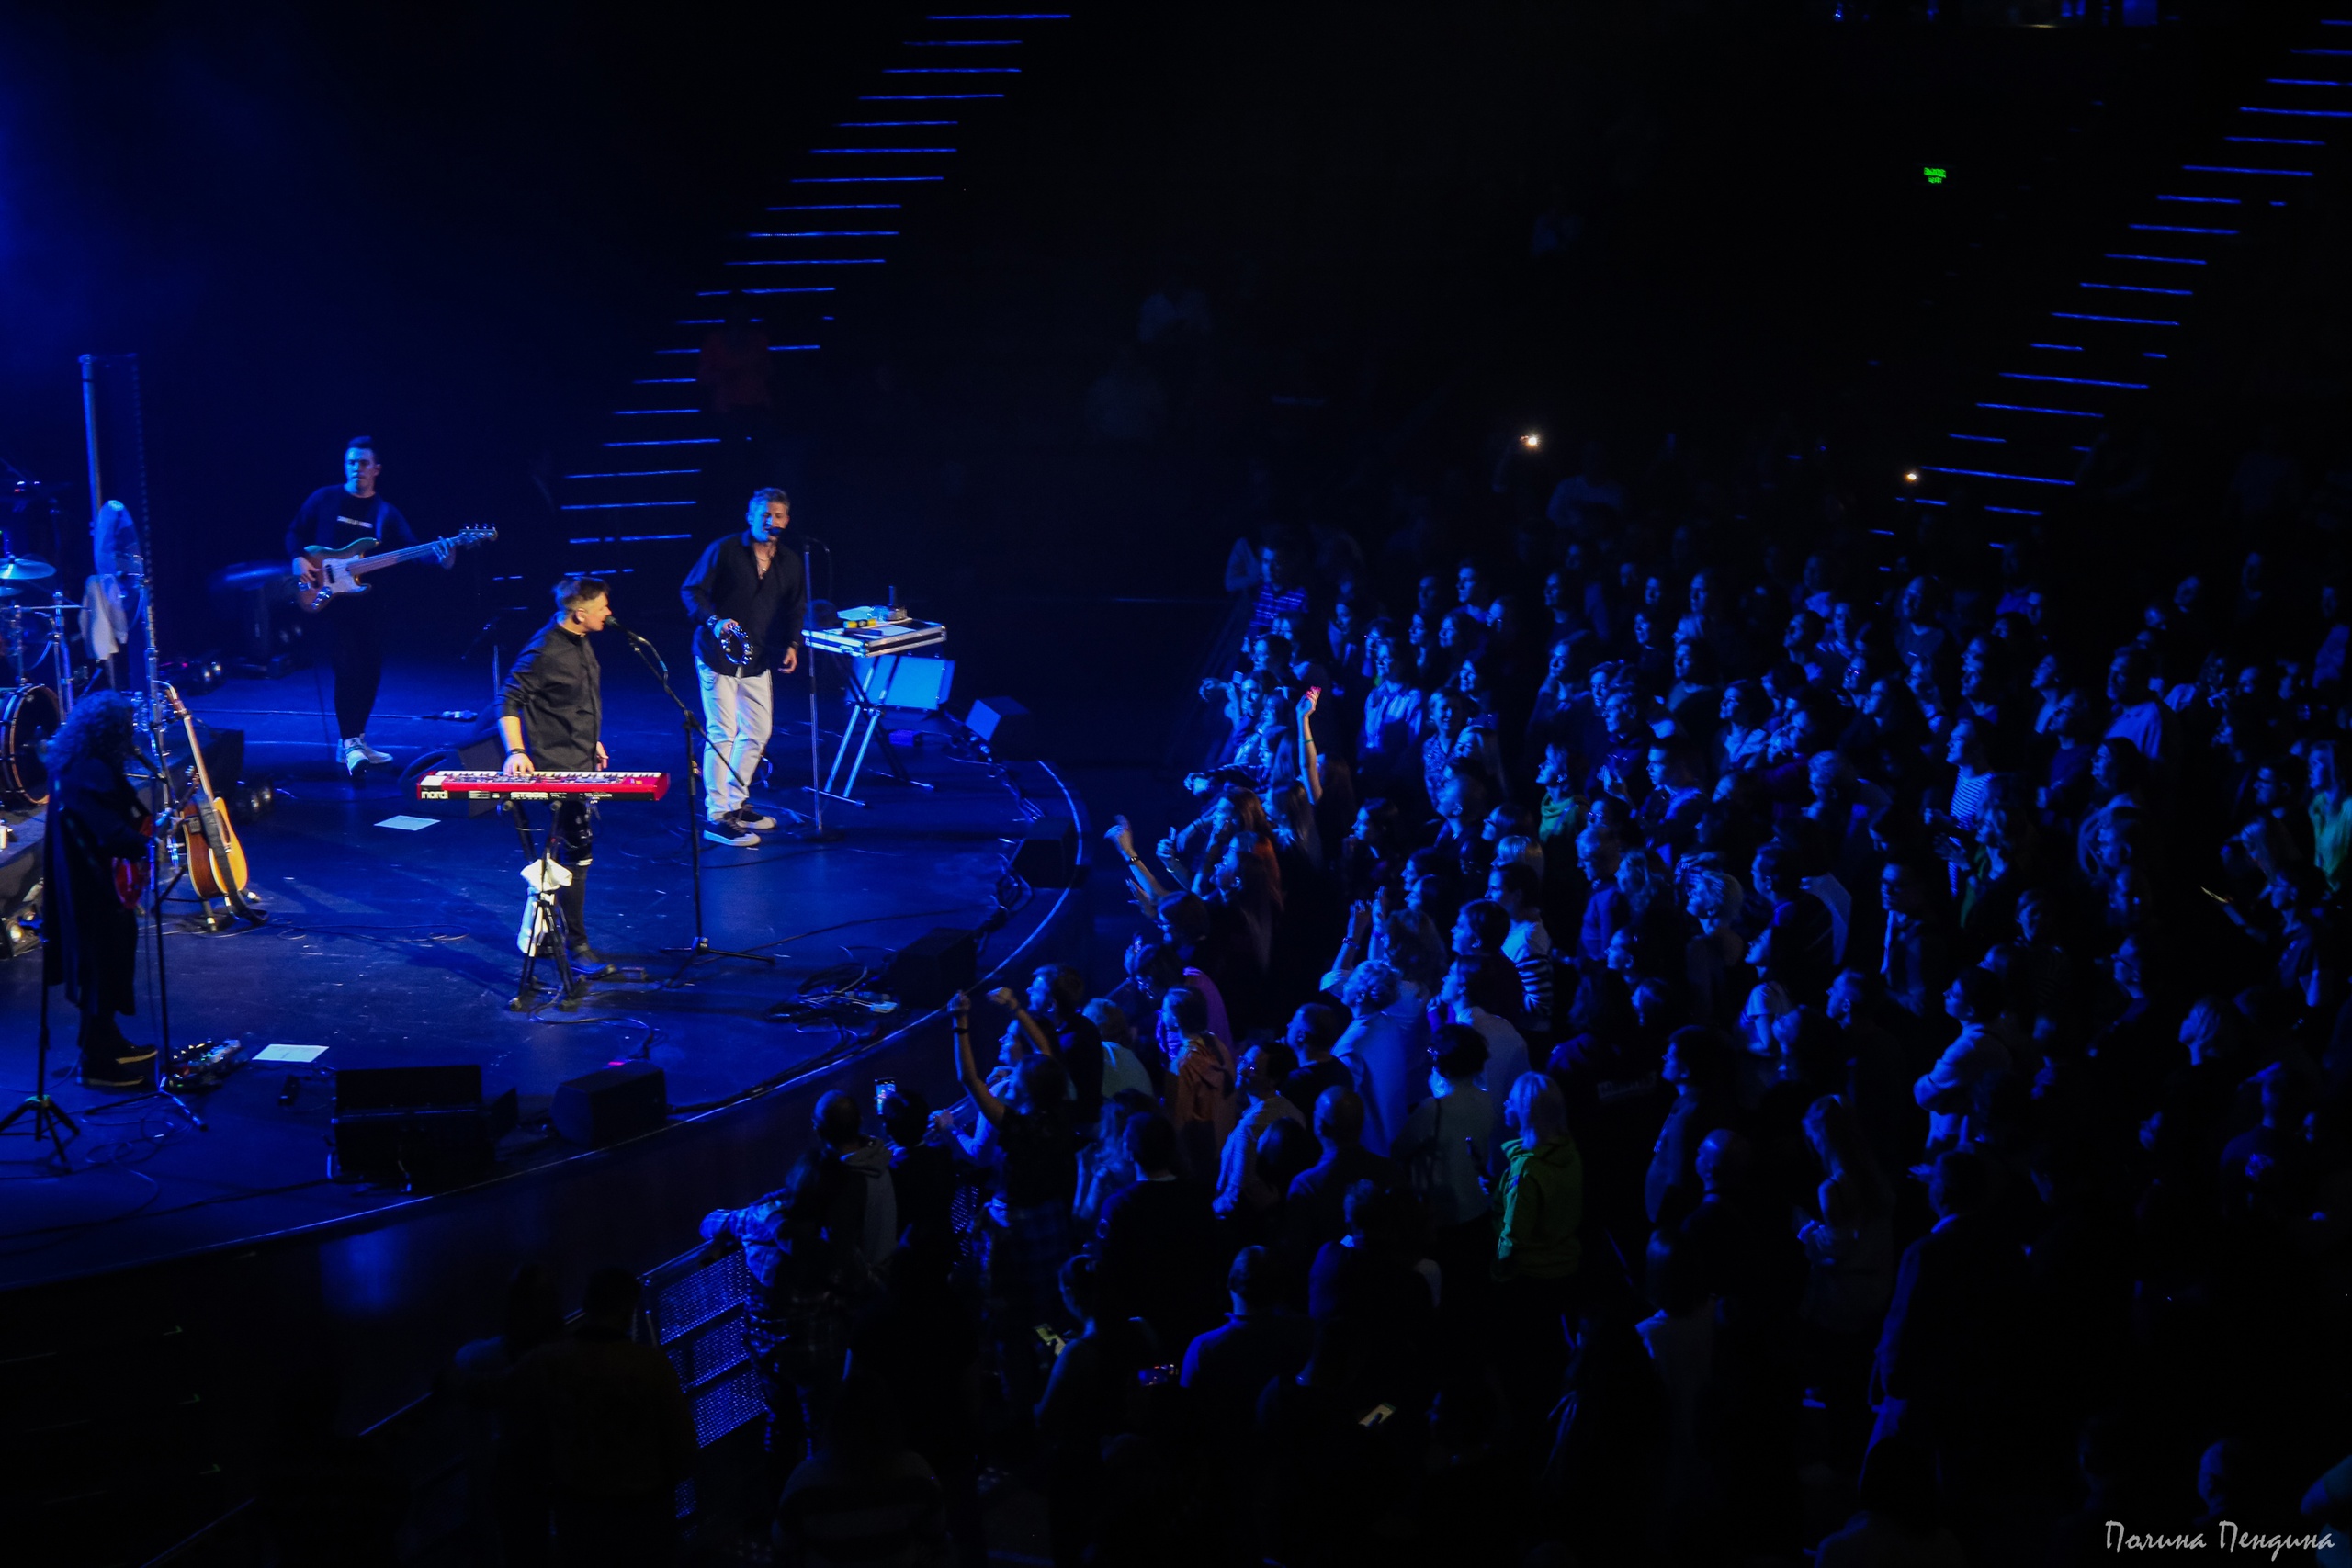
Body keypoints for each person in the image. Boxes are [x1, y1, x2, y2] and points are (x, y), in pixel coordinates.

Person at [507, 1268, 698, 1568]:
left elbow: (500, 1393)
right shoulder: (651, 1366)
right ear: (628, 1311)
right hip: (644, 1511)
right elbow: (684, 1445)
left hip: (579, 1512)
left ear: (586, 1306)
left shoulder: (547, 1362)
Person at [285, 437, 454, 773]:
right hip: (330, 602)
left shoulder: (385, 512)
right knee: (346, 669)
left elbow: (411, 550)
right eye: (351, 463)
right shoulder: (325, 498)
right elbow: (294, 532)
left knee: (370, 671)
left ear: (376, 469)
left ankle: (356, 739)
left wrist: (442, 559)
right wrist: (297, 560)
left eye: (363, 464)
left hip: (369, 605)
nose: (356, 469)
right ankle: (349, 744)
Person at [499, 576, 618, 976]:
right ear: (579, 614)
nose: (609, 613)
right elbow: (508, 698)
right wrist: (516, 751)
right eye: (602, 607)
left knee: (575, 854)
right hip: (556, 766)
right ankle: (574, 942)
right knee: (575, 851)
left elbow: (577, 701)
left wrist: (592, 742)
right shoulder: (544, 649)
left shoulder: (581, 640)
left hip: (580, 759)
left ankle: (554, 936)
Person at [38, 691, 156, 1089]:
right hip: (90, 892)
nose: (132, 735)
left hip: (91, 885)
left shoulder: (81, 764)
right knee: (100, 967)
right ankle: (97, 1063)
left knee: (107, 964)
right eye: (126, 729)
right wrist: (146, 844)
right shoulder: (87, 774)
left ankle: (107, 1039)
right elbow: (108, 833)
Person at [680, 487, 807, 847]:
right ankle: (717, 813)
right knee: (723, 731)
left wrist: (794, 644)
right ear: (750, 517)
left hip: (756, 657)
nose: (771, 521)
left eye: (778, 516)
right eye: (764, 515)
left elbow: (796, 606)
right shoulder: (725, 550)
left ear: (787, 521)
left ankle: (736, 802)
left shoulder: (790, 561)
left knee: (758, 731)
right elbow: (691, 590)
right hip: (716, 653)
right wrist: (714, 620)